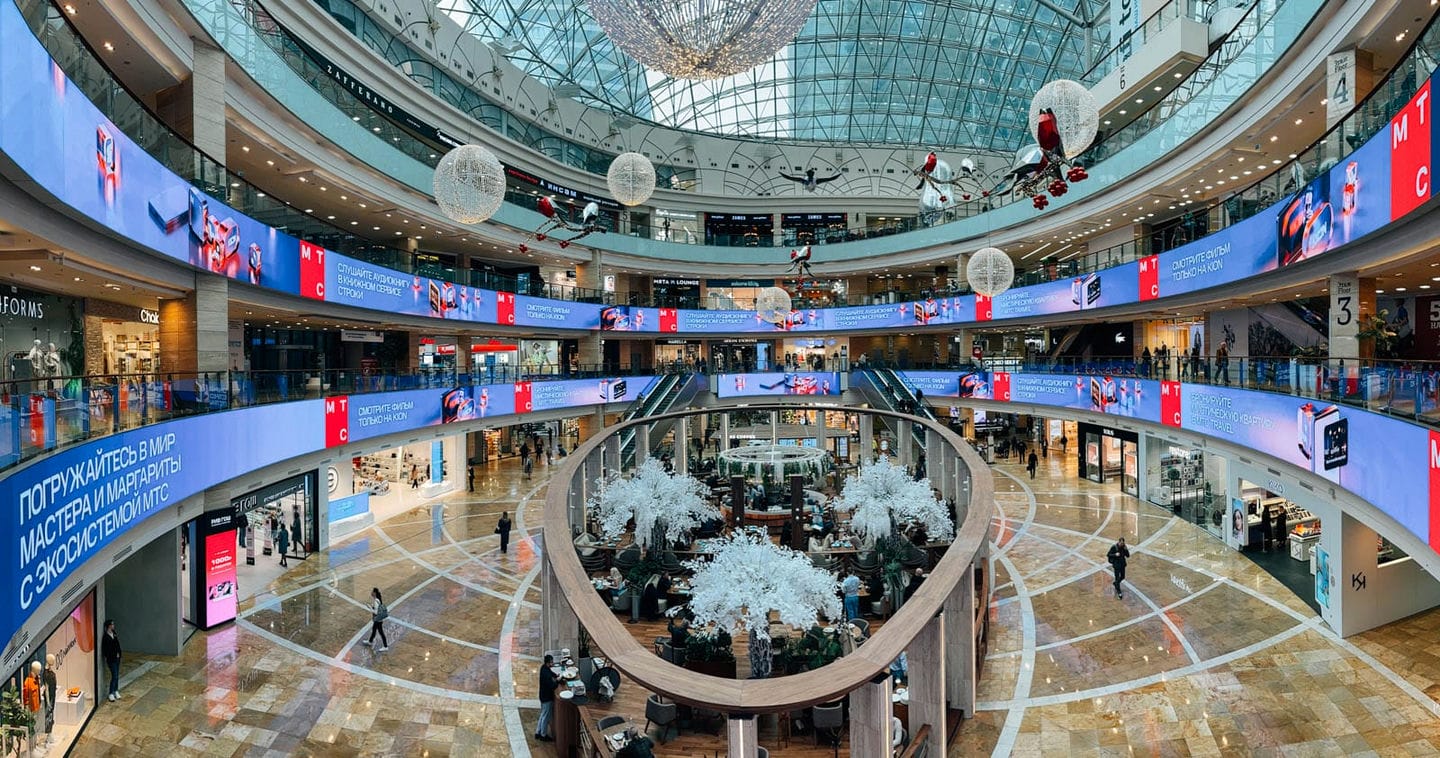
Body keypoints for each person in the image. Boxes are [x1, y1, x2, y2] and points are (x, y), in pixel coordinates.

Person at [536, 654, 557, 742]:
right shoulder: (546, 675)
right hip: (547, 697)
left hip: (542, 695)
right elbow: (552, 686)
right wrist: (558, 681)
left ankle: (538, 732)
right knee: (545, 716)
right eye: (551, 662)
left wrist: (555, 675)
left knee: (543, 714)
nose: (553, 663)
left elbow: (551, 672)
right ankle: (543, 735)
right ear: (548, 663)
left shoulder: (544, 668)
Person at [102, 619, 122, 701]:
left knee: (116, 675)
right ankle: (111, 693)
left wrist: (119, 653)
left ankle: (116, 691)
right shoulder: (106, 637)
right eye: (112, 624)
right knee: (114, 675)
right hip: (111, 659)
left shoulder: (114, 634)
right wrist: (110, 656)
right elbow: (105, 650)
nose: (113, 625)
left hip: (117, 658)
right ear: (109, 626)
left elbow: (117, 644)